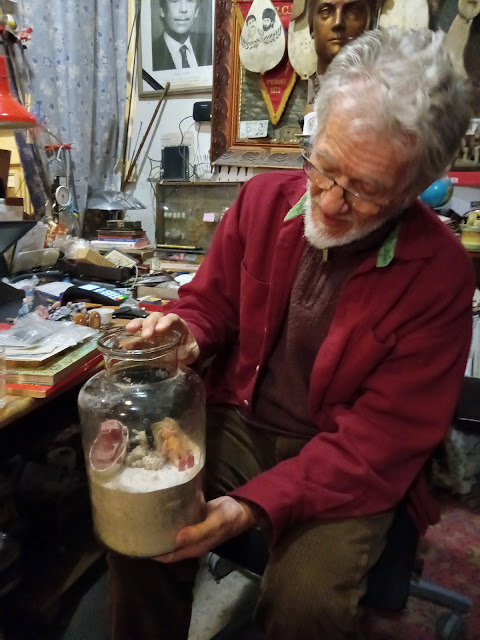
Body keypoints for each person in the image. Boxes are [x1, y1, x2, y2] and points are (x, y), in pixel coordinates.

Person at [109, 28, 475, 640]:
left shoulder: (438, 276)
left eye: (365, 192)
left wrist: (249, 507)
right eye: (324, 168)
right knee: (143, 525)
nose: (330, 204)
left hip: (342, 459)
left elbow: (377, 443)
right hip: (239, 420)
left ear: (415, 191)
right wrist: (186, 334)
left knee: (305, 607)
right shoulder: (260, 200)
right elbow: (211, 304)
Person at [152, 0, 212, 71]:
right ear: (162, 10)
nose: (183, 9)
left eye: (190, 1)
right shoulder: (151, 55)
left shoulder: (210, 44)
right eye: (175, 1)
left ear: (196, 11)